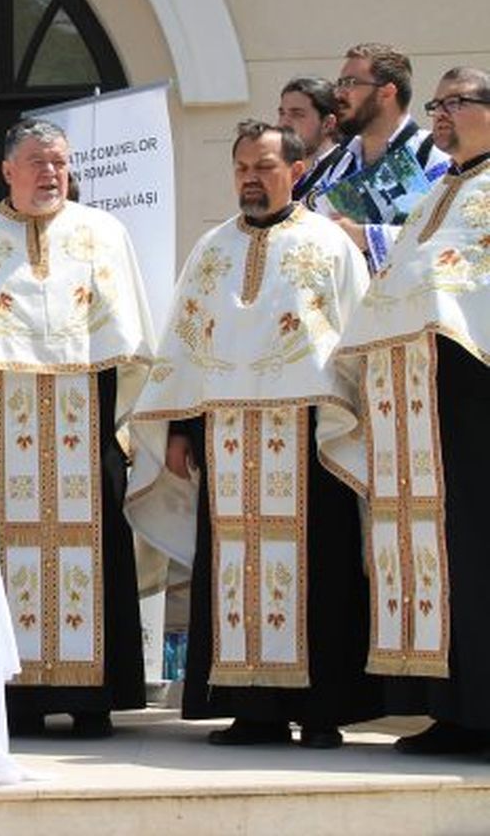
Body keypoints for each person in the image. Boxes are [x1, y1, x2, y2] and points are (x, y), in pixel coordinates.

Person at [128, 121, 380, 749]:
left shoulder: (328, 245)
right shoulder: (212, 250)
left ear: (295, 171)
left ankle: (321, 710)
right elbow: (184, 347)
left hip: (308, 434)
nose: (250, 177)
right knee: (234, 568)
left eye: (264, 166)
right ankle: (253, 709)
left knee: (319, 568)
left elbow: (356, 340)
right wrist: (183, 428)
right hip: (228, 434)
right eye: (241, 166)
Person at [0, 117, 156, 738]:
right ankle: (18, 698)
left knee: (97, 537)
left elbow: (130, 339)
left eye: (59, 161)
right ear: (6, 170)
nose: (50, 172)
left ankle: (96, 698)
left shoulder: (103, 233)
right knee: (6, 544)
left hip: (86, 420)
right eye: (36, 161)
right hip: (2, 425)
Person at [318, 67, 490, 756]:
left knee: (477, 549)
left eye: (457, 103)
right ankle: (448, 707)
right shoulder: (437, 192)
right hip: (420, 401)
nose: (442, 115)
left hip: (473, 395)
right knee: (434, 555)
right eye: (439, 104)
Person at [312, 42, 448, 268]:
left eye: (350, 83)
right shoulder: (337, 163)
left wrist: (364, 236)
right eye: (339, 83)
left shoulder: (432, 155)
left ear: (387, 92)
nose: (338, 94)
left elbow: (447, 237)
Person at [276, 76, 343, 202]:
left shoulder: (345, 170)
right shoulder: (285, 176)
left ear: (328, 124)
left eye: (297, 114)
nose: (284, 123)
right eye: (282, 113)